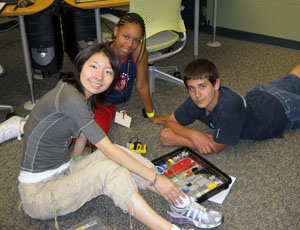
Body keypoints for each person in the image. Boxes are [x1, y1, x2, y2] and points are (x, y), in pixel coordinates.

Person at [14, 44, 223, 230]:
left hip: (62, 170)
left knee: (121, 152)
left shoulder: (82, 95)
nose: (99, 76)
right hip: (38, 193)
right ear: (80, 66)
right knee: (109, 169)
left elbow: (81, 136)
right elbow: (106, 149)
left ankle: (181, 204)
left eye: (107, 72)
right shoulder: (69, 97)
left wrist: (76, 164)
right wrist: (155, 178)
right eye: (93, 67)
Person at [160, 59, 300, 154]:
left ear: (216, 84)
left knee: (293, 79)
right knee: (293, 78)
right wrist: (193, 134)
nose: (197, 94)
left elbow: (216, 146)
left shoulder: (229, 109)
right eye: (191, 88)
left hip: (284, 111)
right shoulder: (196, 100)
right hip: (263, 93)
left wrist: (176, 139)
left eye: (202, 86)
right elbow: (170, 122)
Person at [92, 12, 169, 135]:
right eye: (126, 37)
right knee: (89, 135)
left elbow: (141, 84)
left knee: (95, 134)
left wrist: (151, 115)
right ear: (116, 31)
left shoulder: (139, 51)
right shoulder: (101, 55)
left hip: (117, 101)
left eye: (136, 40)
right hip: (99, 101)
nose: (129, 45)